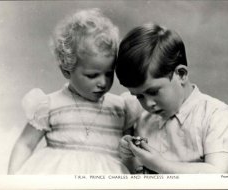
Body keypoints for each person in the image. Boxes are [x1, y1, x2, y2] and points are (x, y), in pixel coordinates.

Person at [8, 8, 138, 174]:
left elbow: (129, 153)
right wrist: (11, 179)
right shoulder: (49, 105)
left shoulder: (121, 108)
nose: (103, 82)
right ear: (67, 70)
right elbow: (25, 144)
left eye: (109, 73)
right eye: (92, 75)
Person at [115, 23, 228, 174]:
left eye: (154, 92)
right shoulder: (138, 114)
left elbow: (217, 173)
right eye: (139, 96)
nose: (148, 104)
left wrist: (159, 165)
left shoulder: (216, 114)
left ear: (181, 74)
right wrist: (128, 154)